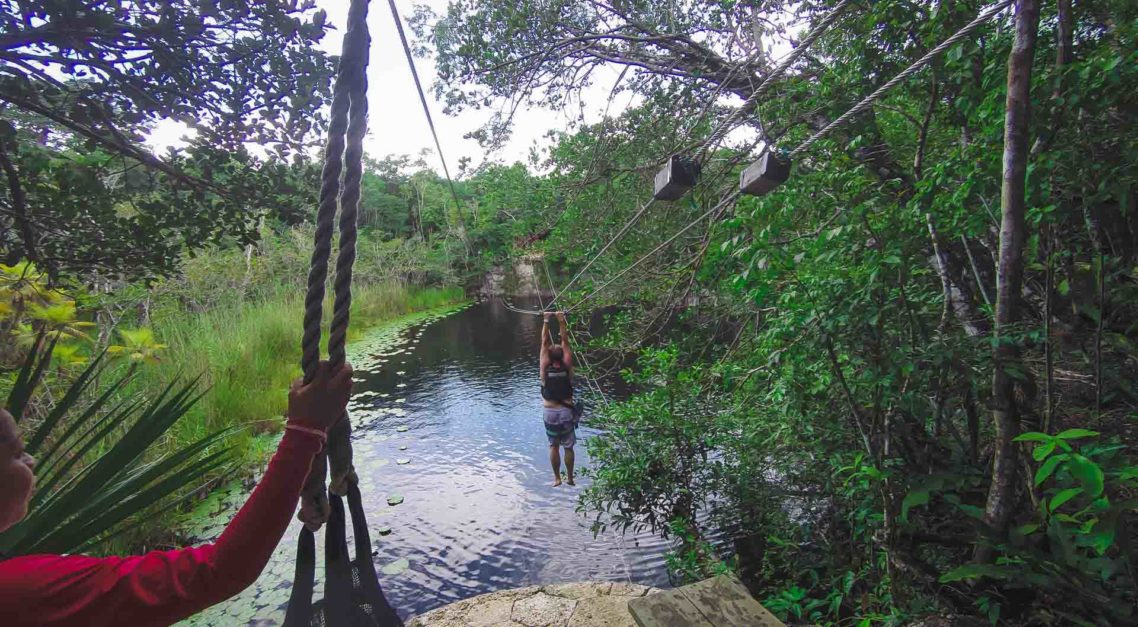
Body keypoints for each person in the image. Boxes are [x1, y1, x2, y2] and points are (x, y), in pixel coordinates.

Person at [0, 361, 354, 627]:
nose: (31, 458)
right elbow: (221, 569)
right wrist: (304, 432)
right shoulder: (20, 592)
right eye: (17, 453)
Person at [540, 311, 577, 487]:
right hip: (566, 412)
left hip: (550, 412)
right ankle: (570, 477)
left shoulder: (544, 366)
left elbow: (544, 341)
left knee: (553, 446)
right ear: (562, 356)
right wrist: (561, 320)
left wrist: (547, 319)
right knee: (568, 447)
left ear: (549, 355)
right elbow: (565, 340)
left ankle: (557, 478)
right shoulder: (567, 364)